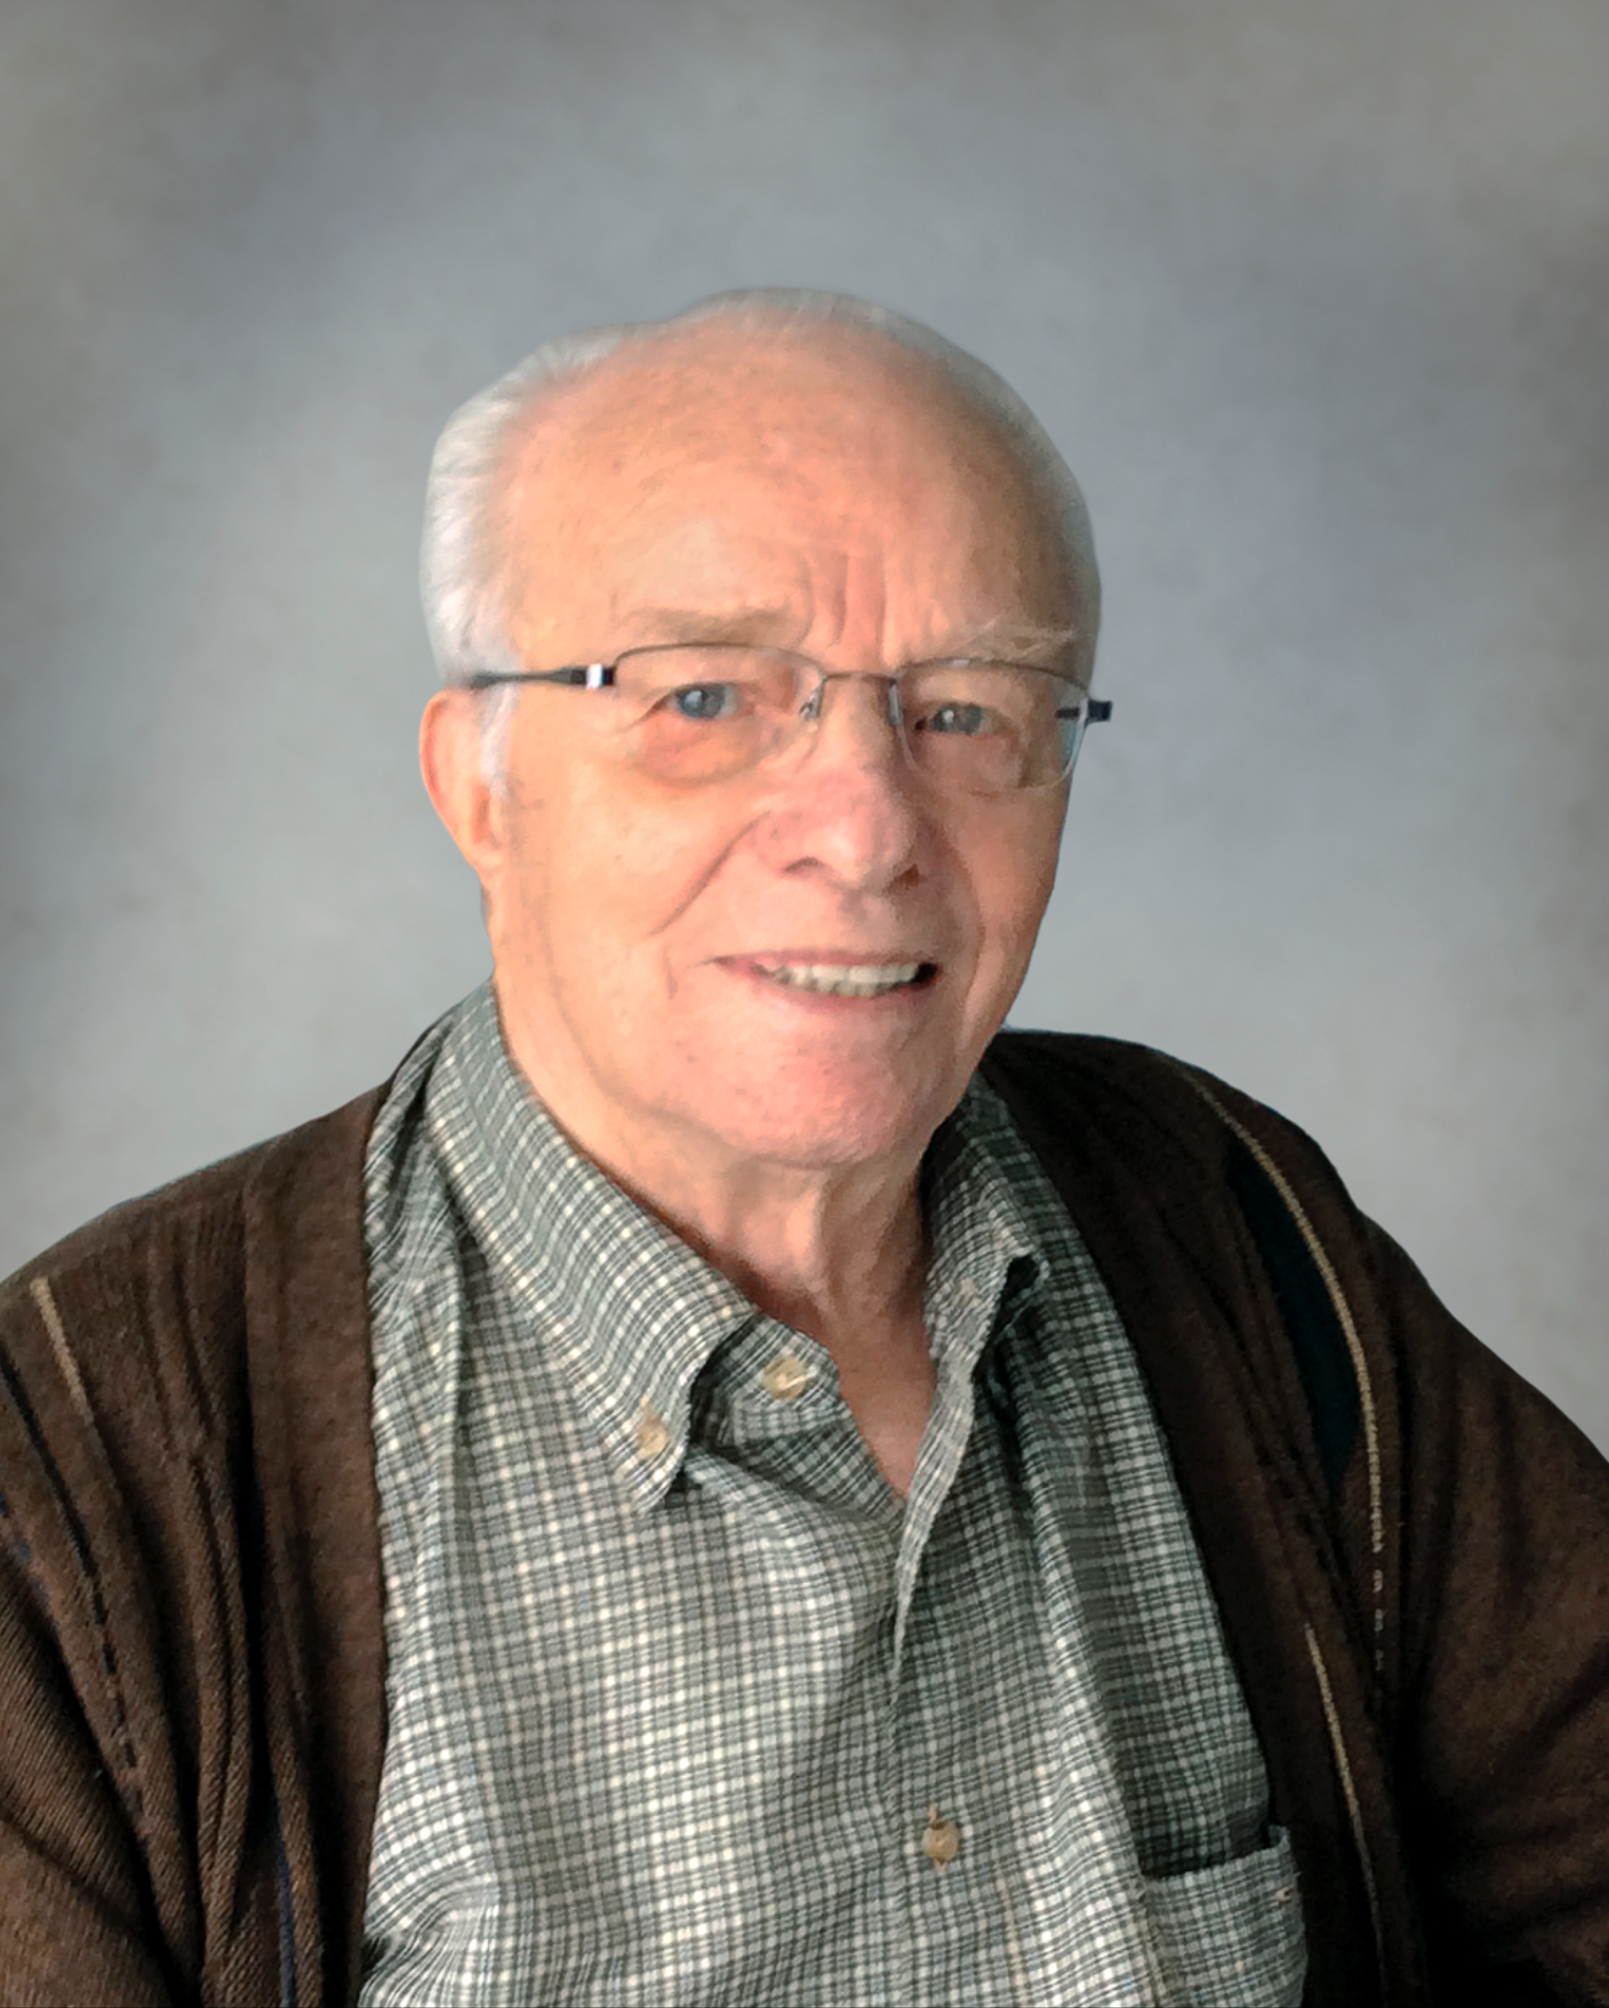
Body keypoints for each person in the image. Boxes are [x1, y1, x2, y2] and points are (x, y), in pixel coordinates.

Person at [1, 290, 1606, 2008]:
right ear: (478, 785)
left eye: (969, 710)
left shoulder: (1234, 1223)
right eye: (704, 698)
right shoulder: (74, 1478)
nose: (864, 828)